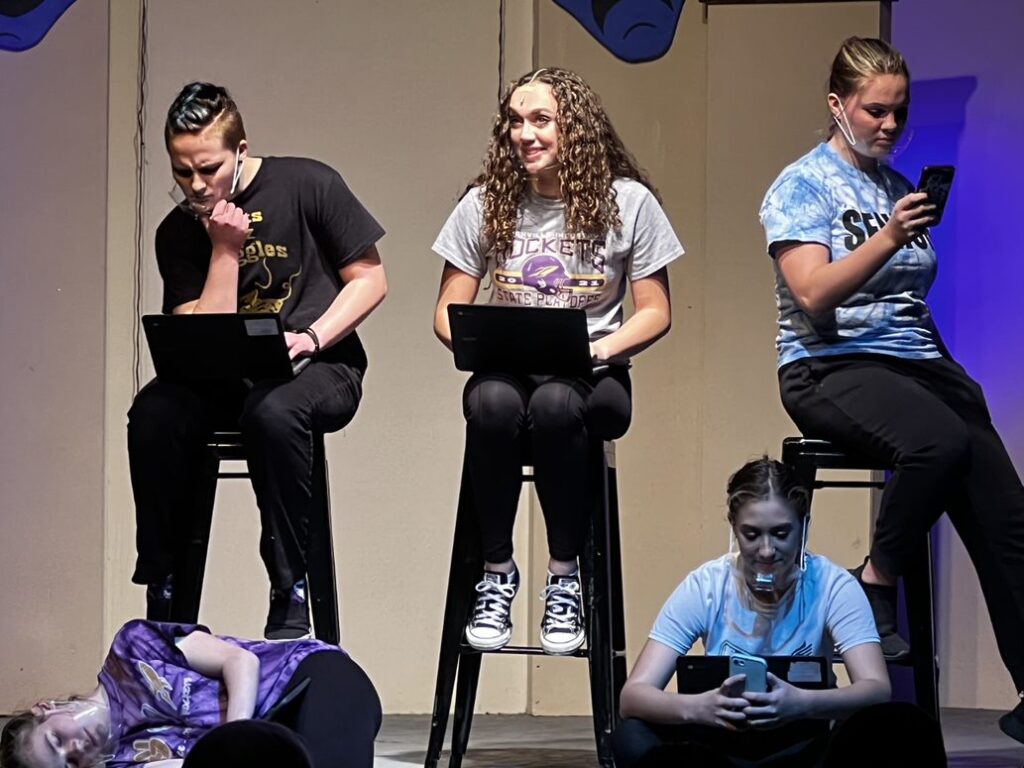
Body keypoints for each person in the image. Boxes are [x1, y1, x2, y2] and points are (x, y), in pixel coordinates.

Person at [759, 36, 1024, 740]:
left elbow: (908, 303)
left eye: (898, 114)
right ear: (837, 105)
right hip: (830, 364)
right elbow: (813, 294)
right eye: (875, 111)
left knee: (1008, 516)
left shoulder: (895, 185)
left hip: (915, 364)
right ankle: (874, 582)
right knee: (934, 443)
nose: (888, 126)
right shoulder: (801, 185)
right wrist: (887, 236)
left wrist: (956, 381)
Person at [432, 67, 683, 655]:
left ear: (576, 128)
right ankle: (496, 573)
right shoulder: (485, 202)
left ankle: (564, 575)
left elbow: (655, 311)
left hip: (593, 368)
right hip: (510, 365)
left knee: (554, 406)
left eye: (540, 120)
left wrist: (596, 348)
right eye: (515, 122)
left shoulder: (628, 202)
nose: (525, 134)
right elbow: (447, 309)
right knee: (491, 402)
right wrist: (474, 342)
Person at [127, 82, 388, 639]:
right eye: (182, 172)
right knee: (154, 413)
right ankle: (164, 576)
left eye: (210, 169)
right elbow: (201, 332)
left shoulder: (308, 183)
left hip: (319, 366)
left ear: (241, 150)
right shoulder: (178, 231)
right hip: (221, 376)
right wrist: (224, 249)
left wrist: (313, 337)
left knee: (271, 413)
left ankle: (289, 585)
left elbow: (371, 281)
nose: (196, 185)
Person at [613, 458, 945, 767]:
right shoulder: (706, 585)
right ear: (734, 527)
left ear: (804, 526)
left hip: (803, 748)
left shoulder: (832, 584)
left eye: (781, 534)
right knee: (631, 736)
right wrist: (698, 708)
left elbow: (875, 687)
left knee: (907, 727)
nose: (767, 551)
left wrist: (802, 703)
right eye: (752, 534)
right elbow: (633, 696)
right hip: (718, 747)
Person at [0, 619, 381, 768]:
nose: (73, 751)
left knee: (332, 762)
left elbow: (240, 662)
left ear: (45, 708)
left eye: (55, 742)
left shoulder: (131, 648)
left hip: (306, 678)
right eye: (67, 766)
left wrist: (237, 740)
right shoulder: (123, 762)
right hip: (274, 742)